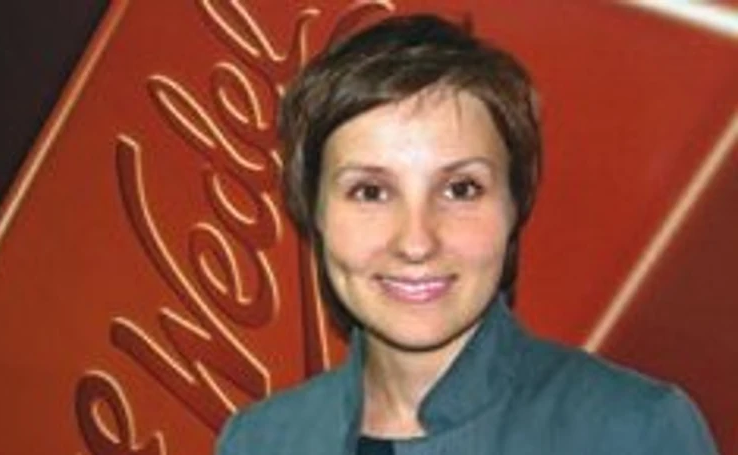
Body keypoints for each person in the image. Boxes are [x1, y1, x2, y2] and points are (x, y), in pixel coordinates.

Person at [215, 13, 719, 455]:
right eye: (370, 191)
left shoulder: (634, 431)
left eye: (460, 189)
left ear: (515, 204)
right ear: (312, 211)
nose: (416, 242)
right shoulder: (258, 441)